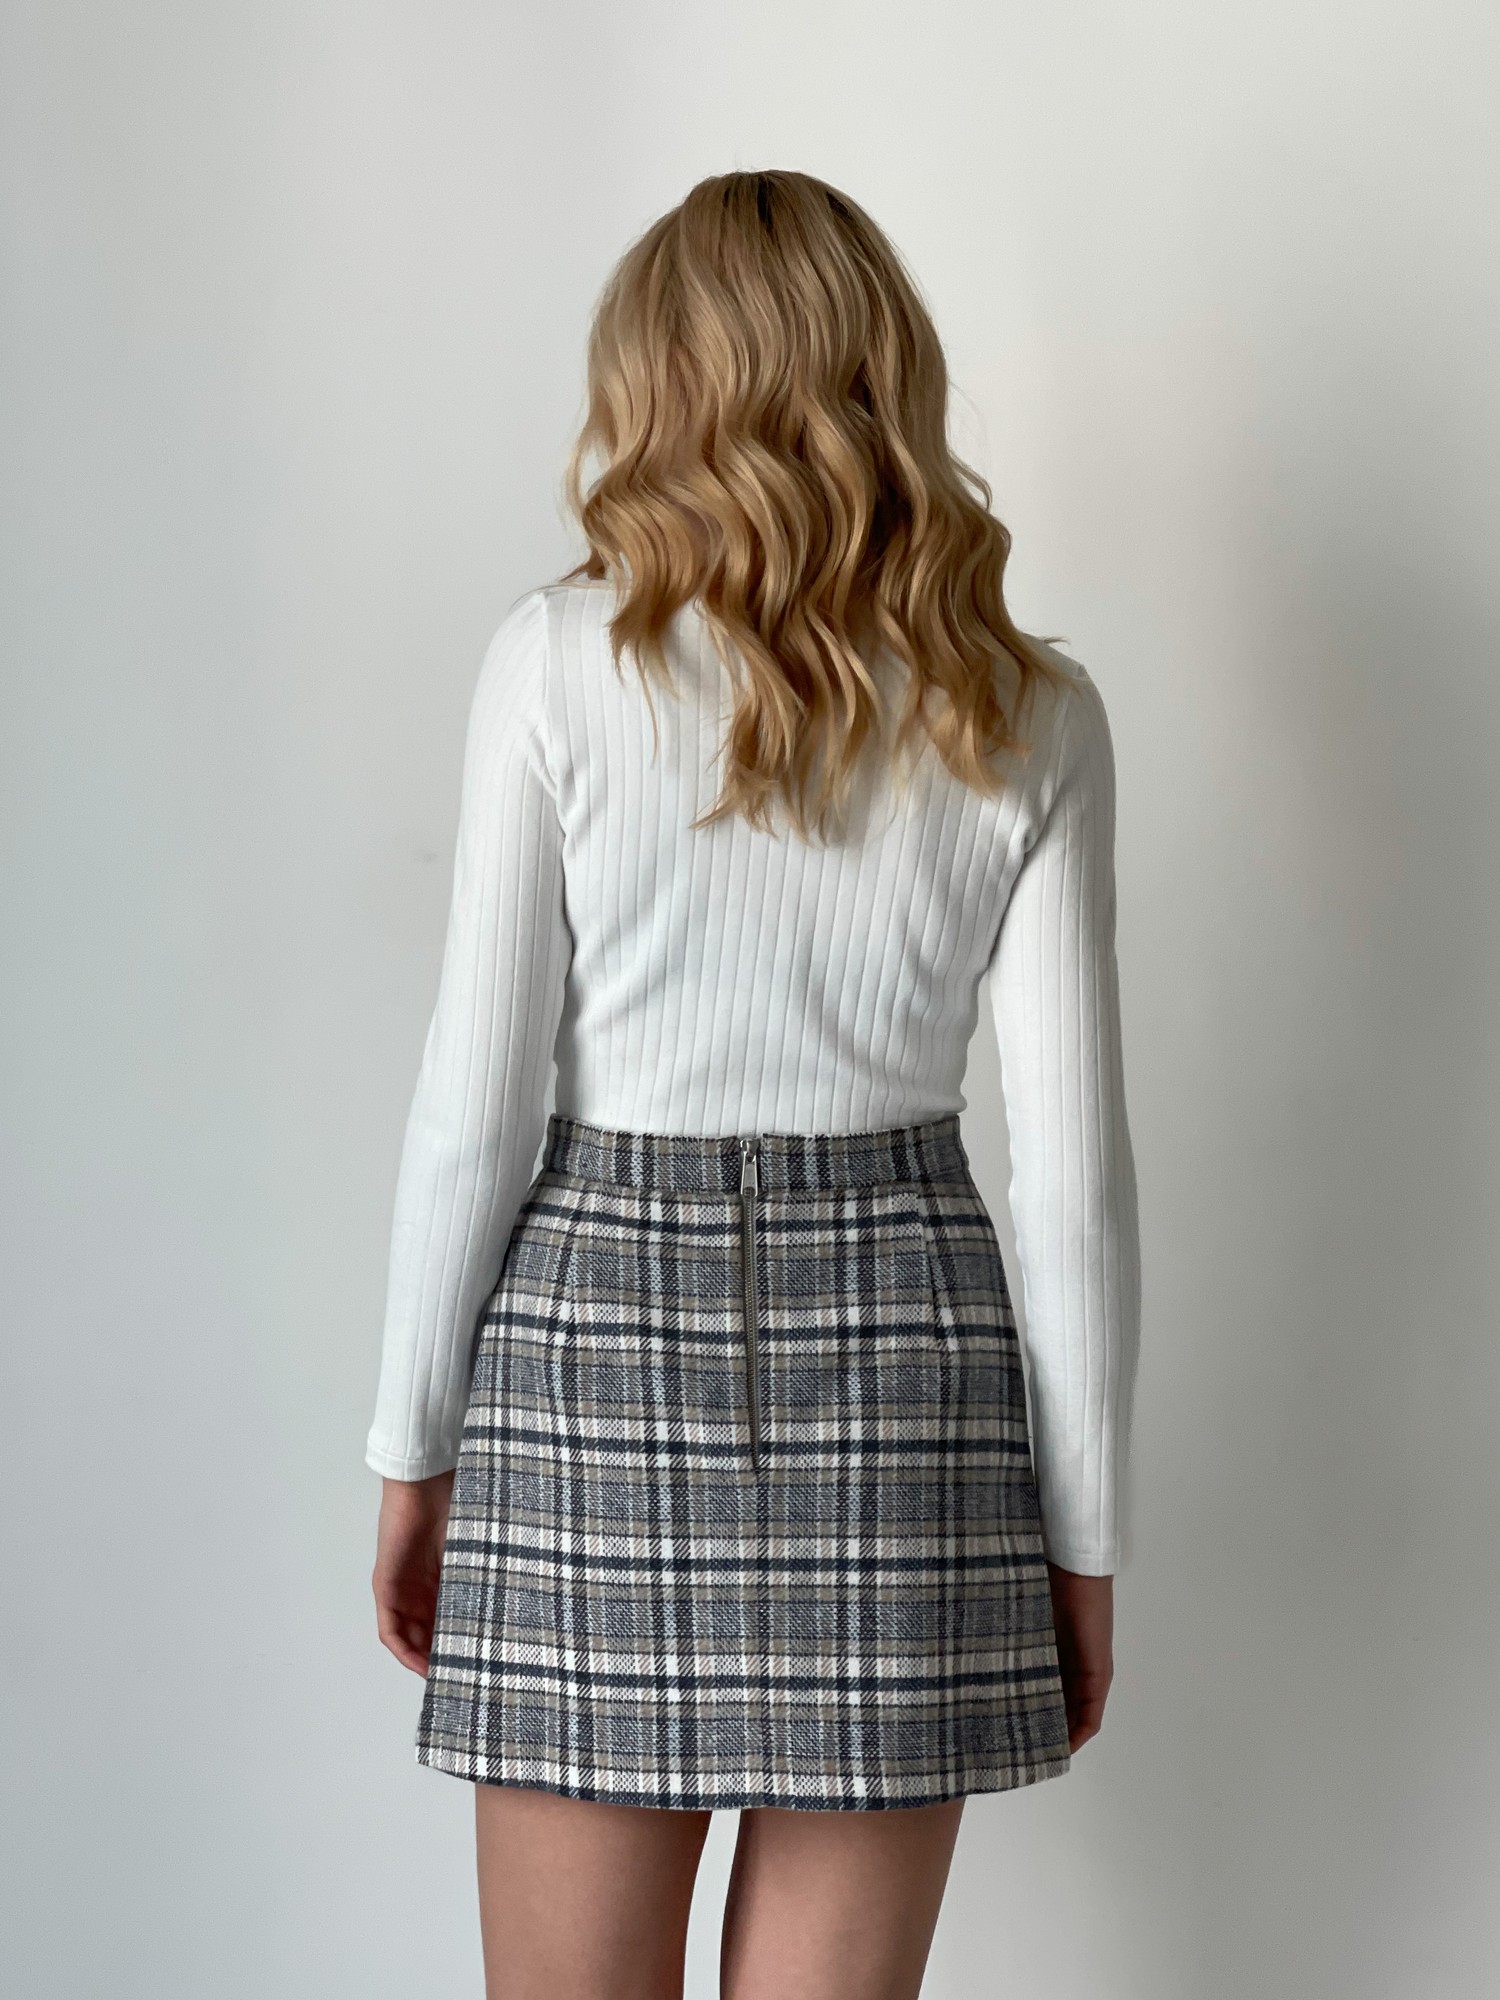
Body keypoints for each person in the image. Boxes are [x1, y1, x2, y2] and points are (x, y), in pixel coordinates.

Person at [366, 169, 1141, 2000]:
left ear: (652, 378)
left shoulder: (552, 663)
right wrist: (1085, 1534)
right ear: (892, 376)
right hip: (912, 1373)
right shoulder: (1030, 711)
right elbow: (1072, 1182)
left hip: (587, 1355)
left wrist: (411, 1449)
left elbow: (474, 1112)